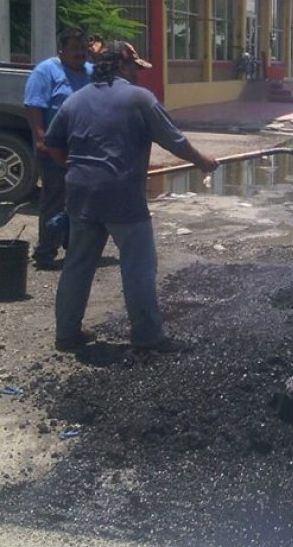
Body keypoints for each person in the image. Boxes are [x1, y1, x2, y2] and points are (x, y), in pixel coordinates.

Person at [43, 41, 219, 353]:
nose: (138, 74)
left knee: (78, 264)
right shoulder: (140, 98)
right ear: (122, 66)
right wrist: (202, 161)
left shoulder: (76, 99)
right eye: (135, 68)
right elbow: (174, 140)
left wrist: (74, 166)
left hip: (81, 194)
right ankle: (147, 337)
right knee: (138, 267)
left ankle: (66, 335)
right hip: (121, 194)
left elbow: (52, 144)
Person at [23, 28, 93, 270]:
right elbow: (34, 105)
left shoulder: (91, 73)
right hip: (55, 148)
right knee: (54, 199)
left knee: (81, 200)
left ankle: (73, 246)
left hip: (83, 149)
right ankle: (45, 252)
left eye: (83, 49)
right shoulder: (46, 71)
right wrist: (41, 138)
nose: (80, 53)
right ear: (61, 50)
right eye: (74, 48)